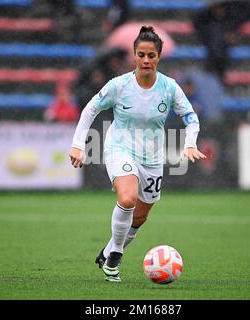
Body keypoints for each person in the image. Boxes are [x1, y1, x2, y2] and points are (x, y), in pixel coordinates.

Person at [69, 26, 206, 282]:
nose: (145, 60)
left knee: (140, 216)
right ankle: (115, 258)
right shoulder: (119, 86)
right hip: (120, 148)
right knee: (128, 198)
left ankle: (109, 249)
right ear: (134, 55)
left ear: (159, 57)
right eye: (141, 54)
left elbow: (190, 116)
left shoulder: (169, 87)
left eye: (151, 55)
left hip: (153, 157)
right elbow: (90, 109)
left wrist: (190, 142)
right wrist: (78, 144)